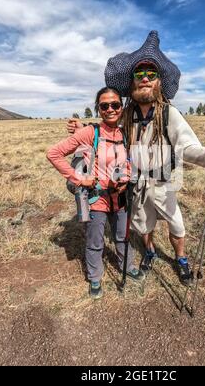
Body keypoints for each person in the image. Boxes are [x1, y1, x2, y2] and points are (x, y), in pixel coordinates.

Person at [68, 31, 205, 287]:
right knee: (143, 225)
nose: (145, 77)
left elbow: (187, 146)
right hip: (136, 184)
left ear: (158, 82)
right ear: (132, 81)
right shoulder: (126, 115)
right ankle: (150, 251)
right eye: (139, 73)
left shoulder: (169, 114)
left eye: (151, 73)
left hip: (164, 183)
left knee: (176, 224)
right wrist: (85, 127)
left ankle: (180, 259)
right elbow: (108, 129)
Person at [47, 87, 145, 299]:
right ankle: (94, 277)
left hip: (120, 198)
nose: (110, 109)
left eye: (115, 105)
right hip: (96, 198)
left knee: (122, 236)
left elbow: (132, 161)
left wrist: (127, 177)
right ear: (98, 109)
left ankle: (127, 266)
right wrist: (79, 179)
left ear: (121, 107)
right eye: (104, 105)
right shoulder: (90, 133)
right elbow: (53, 153)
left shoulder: (126, 132)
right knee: (95, 241)